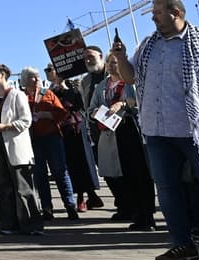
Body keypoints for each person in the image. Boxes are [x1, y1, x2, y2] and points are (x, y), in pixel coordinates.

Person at [111, 0, 199, 260]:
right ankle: (183, 245)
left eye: (157, 12)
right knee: (168, 189)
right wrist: (121, 57)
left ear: (176, 13)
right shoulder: (148, 45)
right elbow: (130, 77)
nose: (153, 17)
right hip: (157, 131)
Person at [89, 53, 155, 231]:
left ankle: (147, 215)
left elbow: (140, 103)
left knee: (139, 173)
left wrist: (124, 104)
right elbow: (91, 107)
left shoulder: (130, 83)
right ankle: (130, 209)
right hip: (110, 133)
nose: (111, 66)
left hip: (130, 131)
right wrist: (94, 113)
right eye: (109, 62)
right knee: (119, 174)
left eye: (115, 62)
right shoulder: (101, 86)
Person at [0, 63, 43, 236]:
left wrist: (6, 126)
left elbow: (26, 120)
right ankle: (8, 224)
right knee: (1, 185)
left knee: (22, 185)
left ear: (3, 75)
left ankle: (31, 224)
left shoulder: (17, 95)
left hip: (15, 144)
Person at [23, 67, 78, 221]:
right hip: (33, 140)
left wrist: (47, 114)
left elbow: (62, 113)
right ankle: (47, 208)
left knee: (60, 171)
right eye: (33, 76)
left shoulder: (47, 93)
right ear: (25, 79)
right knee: (40, 174)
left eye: (38, 76)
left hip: (52, 137)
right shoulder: (21, 96)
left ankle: (70, 206)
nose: (37, 79)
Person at [46, 64, 101, 212]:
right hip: (62, 130)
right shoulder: (50, 91)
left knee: (83, 161)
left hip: (76, 128)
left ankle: (86, 195)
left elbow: (78, 105)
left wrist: (63, 87)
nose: (48, 72)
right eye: (47, 70)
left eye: (50, 70)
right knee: (71, 163)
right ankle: (86, 196)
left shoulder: (73, 88)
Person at [74, 48, 109, 211]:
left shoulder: (111, 72)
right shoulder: (86, 80)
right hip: (96, 128)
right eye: (85, 58)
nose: (88, 60)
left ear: (100, 56)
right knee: (105, 168)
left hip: (116, 126)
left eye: (91, 56)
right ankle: (122, 203)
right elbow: (84, 104)